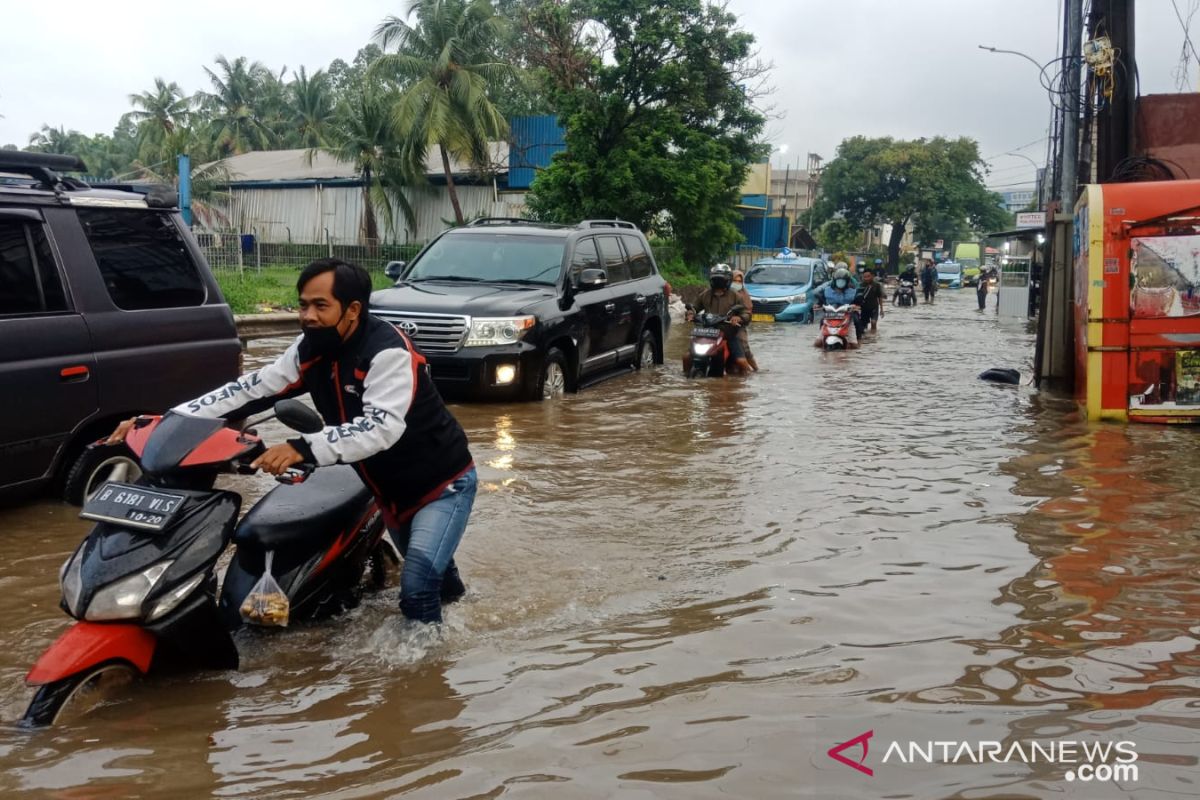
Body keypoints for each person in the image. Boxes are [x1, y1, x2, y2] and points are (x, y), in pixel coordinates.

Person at [107, 258, 475, 626]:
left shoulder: (387, 352)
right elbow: (250, 389)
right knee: (432, 571)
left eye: (320, 305)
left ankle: (426, 670)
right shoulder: (310, 349)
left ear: (353, 310)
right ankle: (461, 606)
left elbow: (379, 428)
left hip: (441, 486)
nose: (308, 315)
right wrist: (168, 420)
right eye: (303, 304)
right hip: (388, 490)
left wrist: (302, 447)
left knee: (417, 589)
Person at [685, 263, 752, 374]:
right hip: (706, 332)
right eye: (716, 279)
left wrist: (738, 318)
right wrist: (690, 313)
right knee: (686, 358)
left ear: (728, 280)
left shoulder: (736, 296)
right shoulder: (705, 295)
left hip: (728, 333)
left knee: (741, 362)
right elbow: (695, 307)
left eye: (721, 280)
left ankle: (743, 383)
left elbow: (746, 313)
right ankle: (686, 380)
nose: (718, 282)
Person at [812, 267, 861, 348]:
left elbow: (858, 301)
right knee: (817, 343)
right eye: (839, 280)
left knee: (855, 343)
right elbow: (821, 300)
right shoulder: (827, 290)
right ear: (834, 280)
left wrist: (856, 306)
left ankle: (858, 339)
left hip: (847, 317)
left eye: (843, 280)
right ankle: (823, 338)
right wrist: (818, 304)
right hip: (830, 317)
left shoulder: (852, 292)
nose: (840, 283)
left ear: (847, 281)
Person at [730, 268, 759, 371]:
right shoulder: (722, 292)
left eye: (739, 281)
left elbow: (748, 312)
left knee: (744, 346)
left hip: (738, 325)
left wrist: (740, 318)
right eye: (734, 281)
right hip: (720, 324)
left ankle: (755, 368)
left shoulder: (744, 295)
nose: (737, 283)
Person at [855, 268, 885, 337]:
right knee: (863, 327)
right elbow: (857, 297)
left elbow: (879, 297)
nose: (866, 278)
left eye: (868, 276)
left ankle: (873, 337)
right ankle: (866, 339)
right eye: (864, 277)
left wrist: (882, 310)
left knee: (873, 322)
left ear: (872, 276)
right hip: (864, 308)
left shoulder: (877, 285)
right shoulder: (860, 285)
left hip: (874, 307)